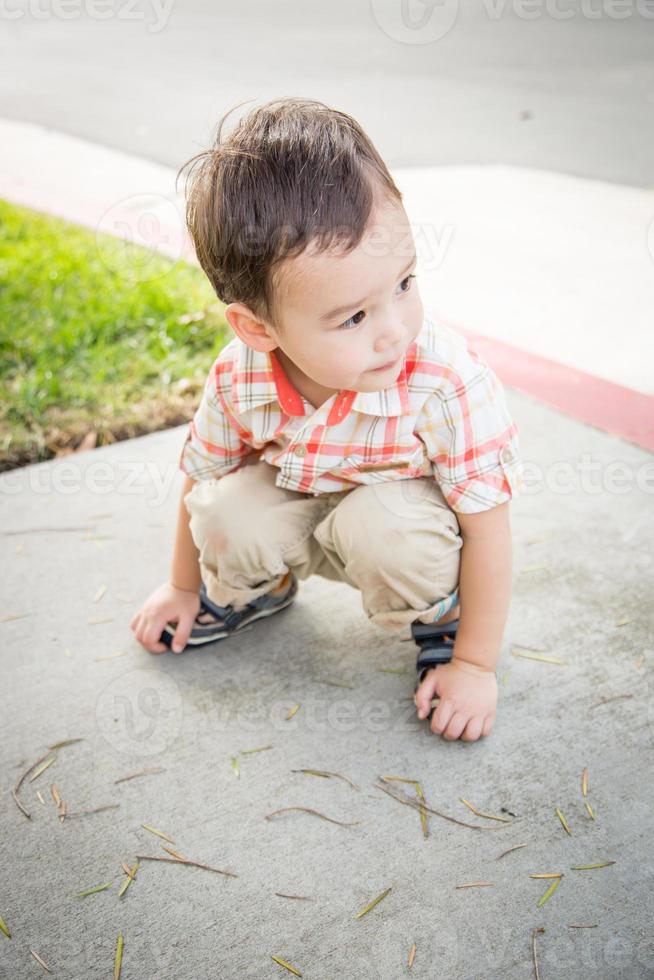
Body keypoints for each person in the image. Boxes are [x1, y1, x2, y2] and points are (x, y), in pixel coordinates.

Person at [130, 97, 524, 742]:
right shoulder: (240, 376)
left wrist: (477, 665)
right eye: (354, 318)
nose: (394, 332)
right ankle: (263, 586)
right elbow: (199, 477)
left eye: (404, 282)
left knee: (384, 525)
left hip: (399, 533)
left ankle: (441, 620)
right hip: (304, 509)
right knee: (226, 510)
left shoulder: (445, 382)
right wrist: (180, 586)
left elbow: (489, 531)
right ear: (259, 328)